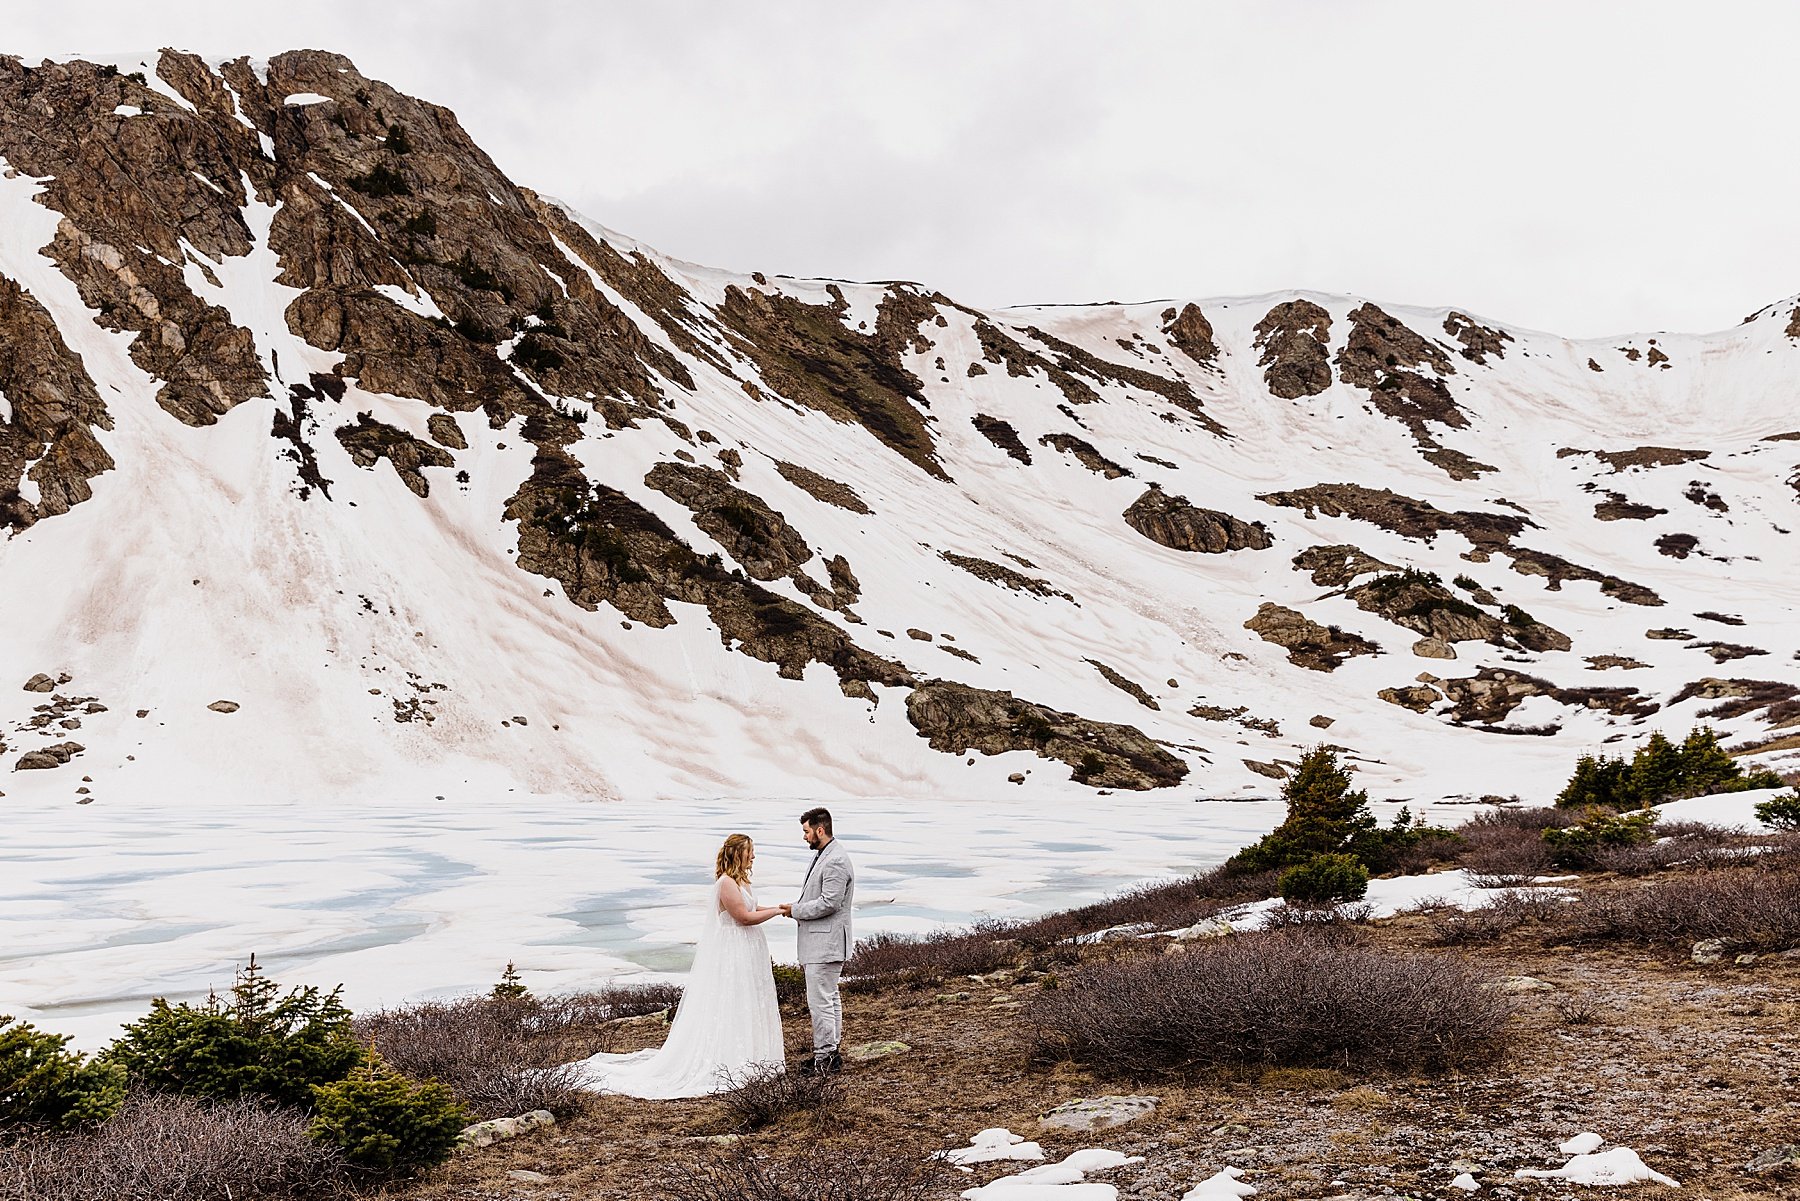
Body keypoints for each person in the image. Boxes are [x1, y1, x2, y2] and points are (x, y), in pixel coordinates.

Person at [569, 834, 784, 1098]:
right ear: (737, 853)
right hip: (734, 947)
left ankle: (750, 1052)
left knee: (747, 997)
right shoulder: (726, 883)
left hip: (748, 947)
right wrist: (775, 913)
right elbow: (742, 917)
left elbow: (750, 906)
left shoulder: (742, 881)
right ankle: (728, 1055)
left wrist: (775, 907)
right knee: (732, 998)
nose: (753, 856)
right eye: (750, 852)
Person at [779, 806, 855, 1074]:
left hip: (826, 944)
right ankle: (830, 1054)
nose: (804, 837)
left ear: (819, 830)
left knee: (820, 1001)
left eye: (806, 831)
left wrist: (795, 910)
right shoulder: (828, 855)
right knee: (829, 998)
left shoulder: (835, 860)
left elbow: (829, 903)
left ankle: (824, 1058)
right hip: (826, 943)